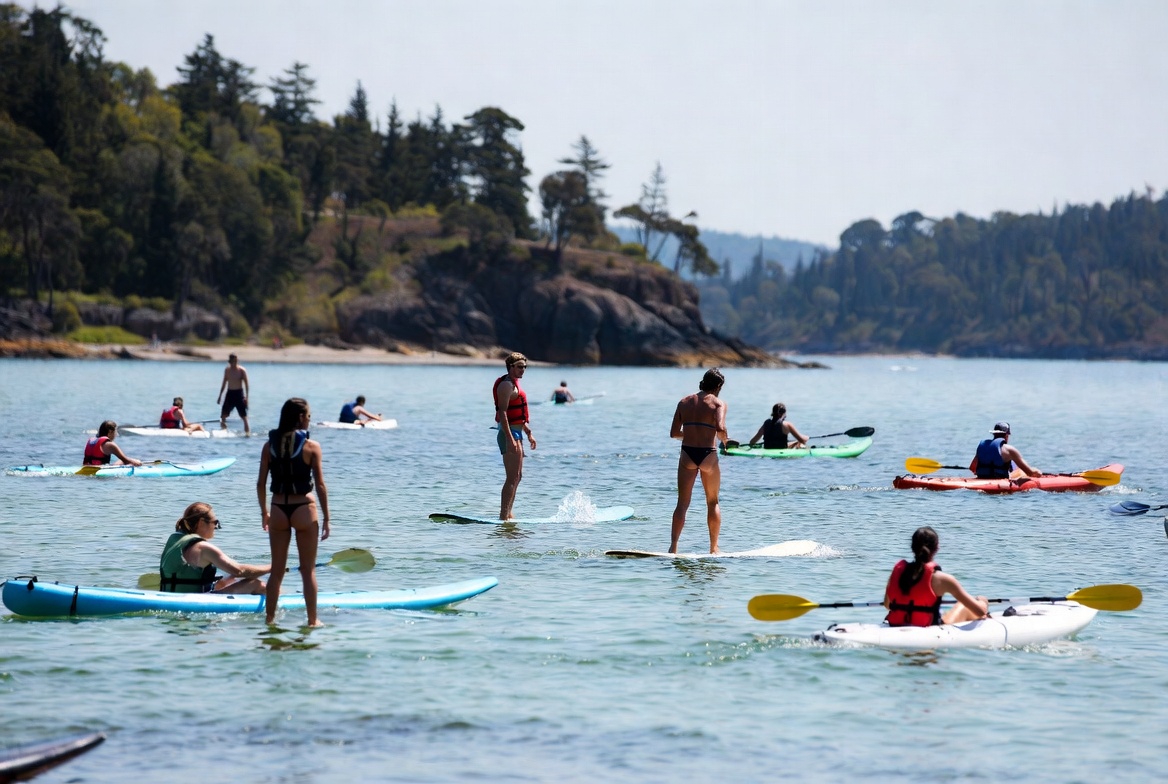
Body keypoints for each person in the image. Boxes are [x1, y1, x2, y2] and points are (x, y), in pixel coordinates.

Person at [258, 397, 329, 626]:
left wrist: (264, 513)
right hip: (304, 510)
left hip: (278, 508)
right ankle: (312, 621)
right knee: (307, 571)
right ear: (300, 418)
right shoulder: (311, 446)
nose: (310, 420)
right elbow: (320, 485)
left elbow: (260, 484)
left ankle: (269, 621)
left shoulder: (269, 446)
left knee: (276, 571)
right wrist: (327, 518)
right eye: (308, 416)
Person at [669, 368, 731, 554]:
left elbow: (673, 434)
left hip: (687, 454)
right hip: (708, 455)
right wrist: (726, 441)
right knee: (713, 502)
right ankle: (713, 548)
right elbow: (720, 428)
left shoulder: (684, 402)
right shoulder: (719, 404)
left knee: (682, 503)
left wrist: (689, 434)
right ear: (718, 386)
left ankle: (673, 548)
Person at [884, 526, 989, 626]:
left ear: (912, 548)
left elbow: (887, 605)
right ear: (937, 548)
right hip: (928, 628)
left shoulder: (897, 570)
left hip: (895, 624)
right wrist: (983, 601)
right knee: (965, 605)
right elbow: (979, 611)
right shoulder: (943, 579)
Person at [160, 502, 269, 594]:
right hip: (197, 600)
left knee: (228, 579)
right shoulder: (203, 547)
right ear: (202, 523)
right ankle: (280, 604)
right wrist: (273, 568)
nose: (216, 527)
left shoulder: (175, 539)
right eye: (215, 523)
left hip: (172, 594)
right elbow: (239, 570)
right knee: (257, 584)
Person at [494, 352, 536, 520]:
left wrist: (528, 432)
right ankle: (503, 516)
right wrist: (511, 438)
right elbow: (503, 413)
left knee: (517, 477)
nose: (523, 370)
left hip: (517, 432)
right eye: (519, 367)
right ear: (510, 367)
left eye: (525, 367)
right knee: (511, 477)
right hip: (509, 434)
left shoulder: (515, 384)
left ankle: (508, 513)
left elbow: (516, 415)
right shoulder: (506, 386)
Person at [969, 421, 1040, 479]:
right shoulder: (1009, 449)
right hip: (1000, 480)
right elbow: (1030, 473)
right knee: (1021, 471)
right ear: (1006, 435)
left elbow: (972, 468)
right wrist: (1038, 472)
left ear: (994, 434)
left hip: (982, 478)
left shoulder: (983, 445)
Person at [217, 353, 250, 434]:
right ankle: (224, 432)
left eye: (236, 360)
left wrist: (247, 398)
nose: (235, 362)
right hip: (230, 394)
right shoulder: (227, 370)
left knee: (244, 416)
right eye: (233, 361)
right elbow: (224, 383)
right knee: (223, 416)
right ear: (230, 361)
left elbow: (246, 385)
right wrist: (220, 396)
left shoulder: (242, 371)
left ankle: (247, 434)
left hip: (239, 394)